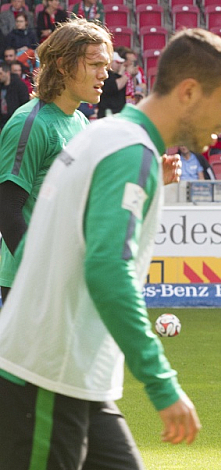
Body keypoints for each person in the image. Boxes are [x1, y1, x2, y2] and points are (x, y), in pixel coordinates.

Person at [0, 27, 221, 470]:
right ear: (187, 92)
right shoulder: (123, 148)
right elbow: (105, 268)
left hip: (81, 381)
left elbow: (63, 240)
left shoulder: (102, 133)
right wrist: (161, 384)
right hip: (47, 376)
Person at [0, 20, 112, 304]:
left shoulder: (80, 122)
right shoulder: (30, 124)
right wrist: (41, 275)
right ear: (63, 65)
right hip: (31, 284)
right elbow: (7, 210)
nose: (105, 74)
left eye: (106, 65)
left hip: (66, 279)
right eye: (95, 64)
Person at [97, 51, 129, 118]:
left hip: (117, 113)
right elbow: (115, 86)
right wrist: (128, 74)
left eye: (120, 63)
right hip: (107, 115)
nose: (119, 65)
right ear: (110, 62)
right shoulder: (104, 75)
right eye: (117, 62)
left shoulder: (114, 75)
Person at [0, 62, 29, 129]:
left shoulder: (19, 86)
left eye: (1, 73)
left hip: (16, 121)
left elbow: (24, 104)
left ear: (7, 72)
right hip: (3, 121)